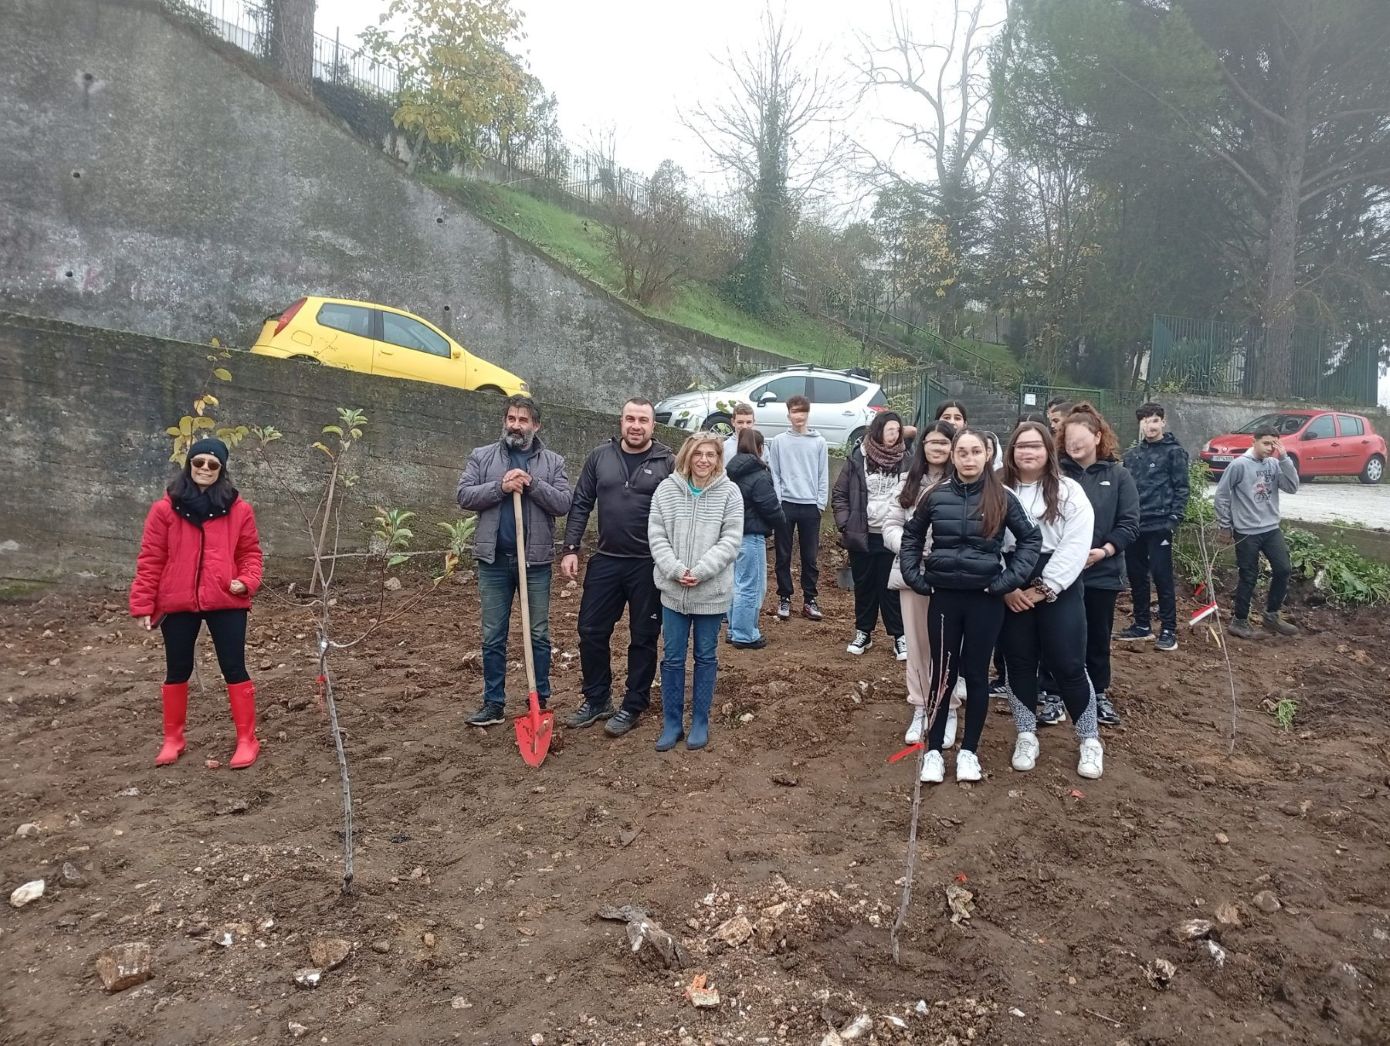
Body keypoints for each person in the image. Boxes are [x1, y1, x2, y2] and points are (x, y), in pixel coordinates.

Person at [899, 427, 1041, 784]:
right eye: (962, 452)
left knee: (976, 675)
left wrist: (1007, 582)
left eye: (976, 451)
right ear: (953, 456)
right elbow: (913, 535)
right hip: (944, 597)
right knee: (943, 675)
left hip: (984, 600)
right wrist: (916, 577)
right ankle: (933, 750)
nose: (968, 458)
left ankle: (969, 752)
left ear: (987, 455)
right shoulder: (935, 494)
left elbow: (1030, 539)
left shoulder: (1003, 496)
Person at [129, 437, 264, 768]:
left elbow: (251, 554)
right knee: (177, 669)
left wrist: (246, 582)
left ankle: (247, 739)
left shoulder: (239, 510)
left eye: (213, 464)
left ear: (222, 469)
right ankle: (173, 739)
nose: (205, 468)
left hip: (226, 600)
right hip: (177, 601)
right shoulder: (164, 509)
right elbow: (151, 558)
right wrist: (143, 604)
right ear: (189, 464)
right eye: (199, 462)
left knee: (234, 666)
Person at [560, 399, 676, 737]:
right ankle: (597, 699)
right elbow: (582, 501)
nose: (635, 425)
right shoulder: (600, 457)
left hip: (648, 564)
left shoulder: (668, 462)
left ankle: (633, 704)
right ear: (621, 422)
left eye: (643, 420)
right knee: (591, 631)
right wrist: (571, 548)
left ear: (653, 426)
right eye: (630, 419)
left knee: (643, 637)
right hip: (607, 560)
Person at [457, 395, 573, 727]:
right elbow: (464, 495)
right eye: (511, 418)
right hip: (493, 560)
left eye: (523, 420)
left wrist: (532, 484)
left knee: (538, 633)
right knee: (493, 634)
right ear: (504, 421)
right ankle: (493, 703)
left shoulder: (552, 462)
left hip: (534, 562)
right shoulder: (482, 457)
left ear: (535, 426)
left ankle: (540, 698)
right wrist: (500, 486)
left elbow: (564, 502)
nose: (516, 425)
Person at [999, 422, 1103, 780]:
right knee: (1019, 661)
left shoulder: (1069, 491)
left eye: (1035, 446)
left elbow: (1076, 545)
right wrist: (1007, 586)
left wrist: (1044, 587)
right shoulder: (998, 489)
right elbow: (986, 539)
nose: (1027, 452)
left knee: (1068, 662)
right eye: (1020, 446)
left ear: (1048, 451)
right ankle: (1026, 733)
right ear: (1011, 451)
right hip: (1012, 580)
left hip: (1059, 581)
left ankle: (1089, 739)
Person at [648, 433, 744, 750]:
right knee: (673, 658)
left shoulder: (730, 494)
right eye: (698, 454)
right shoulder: (666, 490)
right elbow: (657, 534)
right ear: (687, 456)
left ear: (719, 458)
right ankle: (672, 723)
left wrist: (701, 570)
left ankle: (700, 721)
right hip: (673, 593)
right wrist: (676, 569)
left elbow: (731, 540)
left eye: (711, 454)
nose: (704, 460)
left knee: (705, 657)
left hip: (711, 593)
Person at [1059, 406, 1140, 727]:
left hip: (1102, 573)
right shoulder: (1057, 474)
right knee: (1058, 635)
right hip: (1061, 573)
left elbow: (1130, 523)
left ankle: (1098, 694)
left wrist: (1104, 551)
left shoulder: (1117, 475)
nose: (1074, 446)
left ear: (1097, 437)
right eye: (1069, 441)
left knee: (1097, 636)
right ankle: (1051, 692)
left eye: (1080, 440)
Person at [884, 420, 955, 744]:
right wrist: (912, 549)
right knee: (915, 645)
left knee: (948, 646)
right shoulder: (906, 483)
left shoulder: (964, 483)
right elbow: (890, 525)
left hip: (952, 577)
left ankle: (948, 708)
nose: (938, 448)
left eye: (944, 442)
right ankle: (919, 706)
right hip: (913, 574)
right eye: (932, 442)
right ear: (922, 446)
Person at [833, 411, 909, 659]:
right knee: (864, 587)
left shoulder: (906, 460)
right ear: (878, 430)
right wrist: (846, 524)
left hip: (892, 536)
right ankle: (863, 633)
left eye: (897, 430)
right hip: (863, 536)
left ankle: (899, 637)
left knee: (891, 589)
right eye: (889, 429)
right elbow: (840, 494)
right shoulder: (858, 458)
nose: (894, 434)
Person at [1214, 424, 1300, 639]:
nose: (1270, 448)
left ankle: (1271, 616)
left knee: (1283, 569)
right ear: (1254, 441)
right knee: (1248, 575)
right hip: (1246, 531)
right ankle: (1239, 621)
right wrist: (1225, 526)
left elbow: (1292, 487)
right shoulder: (1239, 465)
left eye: (1274, 444)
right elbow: (1222, 495)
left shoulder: (1274, 463)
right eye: (1266, 443)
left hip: (1271, 528)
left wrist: (1285, 457)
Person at [1119, 402, 1190, 651]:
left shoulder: (1174, 453)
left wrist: (1173, 520)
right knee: (1137, 577)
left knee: (1162, 577)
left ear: (1163, 422)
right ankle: (1142, 626)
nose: (1151, 425)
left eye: (1155, 420)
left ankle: (1169, 630)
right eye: (1146, 421)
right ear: (1140, 424)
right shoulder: (1132, 456)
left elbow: (1182, 488)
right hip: (1135, 525)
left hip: (1160, 525)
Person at [768, 394, 829, 622]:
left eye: (802, 412)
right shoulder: (779, 442)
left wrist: (820, 503)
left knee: (809, 556)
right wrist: (778, 501)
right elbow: (775, 473)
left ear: (807, 414)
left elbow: (823, 474)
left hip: (810, 506)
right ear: (788, 414)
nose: (799, 416)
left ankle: (809, 599)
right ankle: (784, 597)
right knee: (783, 555)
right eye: (795, 412)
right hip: (786, 505)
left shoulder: (819, 442)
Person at [726, 428, 785, 650]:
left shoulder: (729, 472)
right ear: (760, 449)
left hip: (731, 535)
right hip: (751, 536)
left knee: (735, 584)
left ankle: (734, 629)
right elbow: (770, 507)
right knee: (751, 586)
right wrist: (781, 523)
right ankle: (745, 633)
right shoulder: (759, 475)